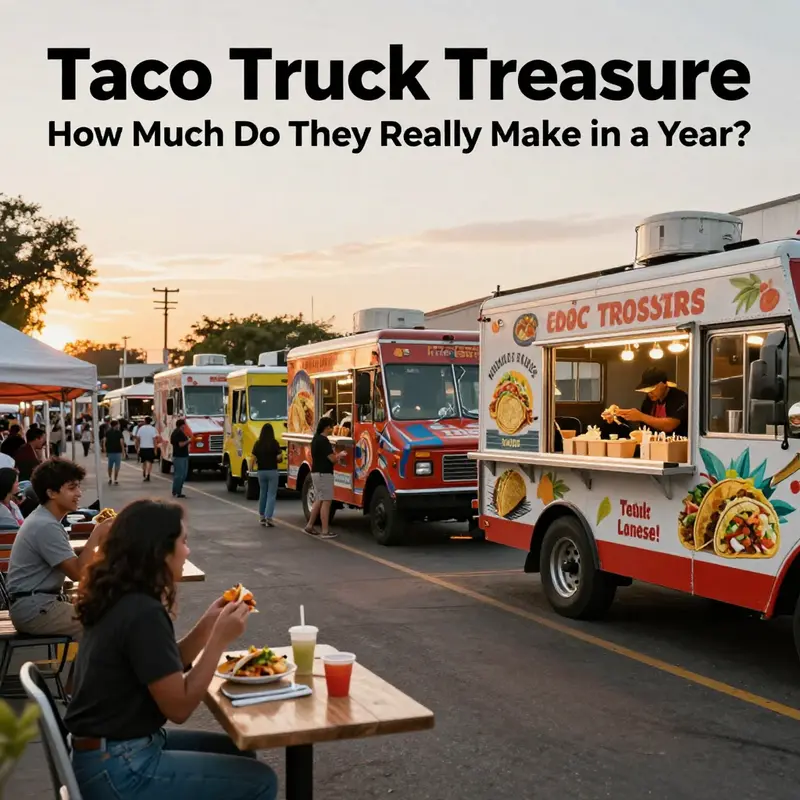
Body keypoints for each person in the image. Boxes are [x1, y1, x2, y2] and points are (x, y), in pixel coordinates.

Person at [64, 499, 279, 800]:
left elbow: (163, 667)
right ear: (159, 552)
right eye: (183, 542)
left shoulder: (120, 596)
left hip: (105, 753)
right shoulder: (142, 612)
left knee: (240, 753)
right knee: (260, 780)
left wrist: (207, 625)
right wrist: (219, 639)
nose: (188, 551)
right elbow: (179, 707)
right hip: (118, 767)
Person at [6, 459, 110, 639]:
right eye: (72, 488)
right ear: (52, 493)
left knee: (111, 612)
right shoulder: (46, 525)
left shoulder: (45, 519)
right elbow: (78, 573)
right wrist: (97, 533)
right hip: (36, 609)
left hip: (36, 605)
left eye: (78, 487)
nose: (79, 493)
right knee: (108, 624)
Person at [607, 367, 689, 438]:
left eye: (651, 389)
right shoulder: (649, 400)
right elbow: (644, 425)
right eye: (646, 390)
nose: (649, 393)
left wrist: (640, 416)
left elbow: (670, 425)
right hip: (653, 446)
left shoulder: (679, 397)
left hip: (677, 447)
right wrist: (617, 416)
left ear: (662, 384)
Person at [304, 417, 345, 539]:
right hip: (324, 474)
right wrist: (340, 455)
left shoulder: (315, 439)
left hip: (316, 472)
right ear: (327, 427)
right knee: (326, 501)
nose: (332, 429)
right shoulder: (324, 441)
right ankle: (325, 531)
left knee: (319, 499)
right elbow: (332, 459)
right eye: (331, 427)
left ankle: (310, 525)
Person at [252, 423, 281, 527]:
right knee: (271, 494)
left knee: (263, 493)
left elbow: (253, 458)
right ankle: (269, 517)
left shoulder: (257, 443)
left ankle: (262, 516)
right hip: (272, 471)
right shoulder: (274, 443)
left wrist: (252, 468)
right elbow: (279, 457)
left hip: (261, 472)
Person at [170, 419, 191, 498]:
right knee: (180, 475)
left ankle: (177, 490)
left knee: (182, 474)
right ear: (182, 425)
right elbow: (180, 444)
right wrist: (188, 441)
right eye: (184, 424)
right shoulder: (178, 433)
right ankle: (177, 491)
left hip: (182, 455)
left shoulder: (177, 432)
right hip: (180, 456)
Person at [136, 416, 158, 482]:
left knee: (144, 462)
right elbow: (154, 440)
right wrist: (155, 449)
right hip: (150, 447)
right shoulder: (153, 429)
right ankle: (148, 474)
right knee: (150, 462)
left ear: (145, 421)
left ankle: (144, 472)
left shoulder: (141, 428)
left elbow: (137, 438)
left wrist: (138, 446)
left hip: (143, 447)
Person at [105, 419, 125, 485]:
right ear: (116, 425)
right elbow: (121, 442)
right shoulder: (119, 432)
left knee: (110, 466)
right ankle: (115, 479)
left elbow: (104, 441)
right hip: (117, 451)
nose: (118, 425)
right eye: (118, 424)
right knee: (117, 466)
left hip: (110, 451)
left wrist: (105, 450)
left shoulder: (107, 432)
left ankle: (110, 478)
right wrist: (123, 451)